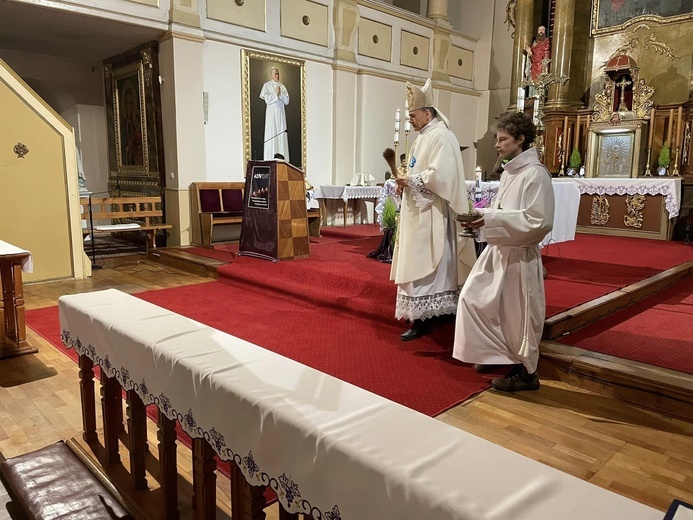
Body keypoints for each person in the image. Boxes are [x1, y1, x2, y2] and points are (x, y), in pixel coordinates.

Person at [452, 112, 555, 392]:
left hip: (519, 258)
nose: (497, 145)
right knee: (474, 300)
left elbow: (539, 222)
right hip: (499, 251)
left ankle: (527, 373)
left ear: (521, 140)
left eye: (503, 139)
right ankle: (492, 352)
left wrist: (491, 220)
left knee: (518, 316)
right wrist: (482, 217)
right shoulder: (511, 171)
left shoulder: (535, 174)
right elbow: (503, 212)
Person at [391, 79, 476, 341]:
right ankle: (423, 314)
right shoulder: (423, 138)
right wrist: (406, 184)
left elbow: (443, 176)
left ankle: (430, 316)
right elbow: (418, 170)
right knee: (419, 258)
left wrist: (414, 181)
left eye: (413, 115)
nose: (410, 121)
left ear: (428, 113)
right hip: (419, 211)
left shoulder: (442, 136)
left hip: (434, 214)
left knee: (432, 262)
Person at [260, 67, 290, 161]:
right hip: (271, 114)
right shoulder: (267, 85)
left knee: (281, 134)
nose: (277, 75)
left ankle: (282, 158)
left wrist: (280, 93)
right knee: (272, 133)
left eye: (278, 73)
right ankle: (270, 158)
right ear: (271, 75)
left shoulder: (282, 86)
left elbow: (287, 101)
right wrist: (275, 94)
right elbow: (267, 99)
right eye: (275, 74)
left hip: (280, 114)